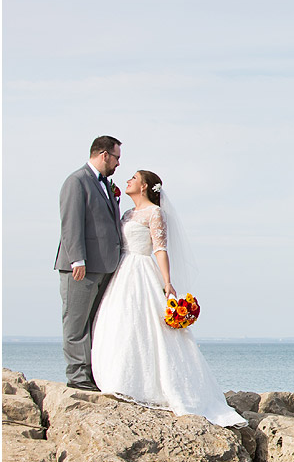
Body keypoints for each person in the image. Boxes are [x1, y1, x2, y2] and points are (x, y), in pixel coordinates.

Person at [90, 169, 245, 427]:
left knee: (147, 325)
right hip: (123, 270)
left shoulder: (155, 213)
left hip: (141, 269)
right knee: (120, 321)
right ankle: (117, 377)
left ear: (145, 186)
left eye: (134, 178)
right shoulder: (127, 214)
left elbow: (160, 249)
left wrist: (167, 282)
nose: (128, 180)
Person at [55, 136, 124, 390]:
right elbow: (71, 223)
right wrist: (77, 260)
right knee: (76, 322)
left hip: (104, 266)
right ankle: (77, 376)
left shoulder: (106, 184)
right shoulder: (76, 181)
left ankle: (93, 373)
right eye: (116, 158)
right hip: (80, 267)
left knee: (95, 323)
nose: (118, 164)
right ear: (104, 154)